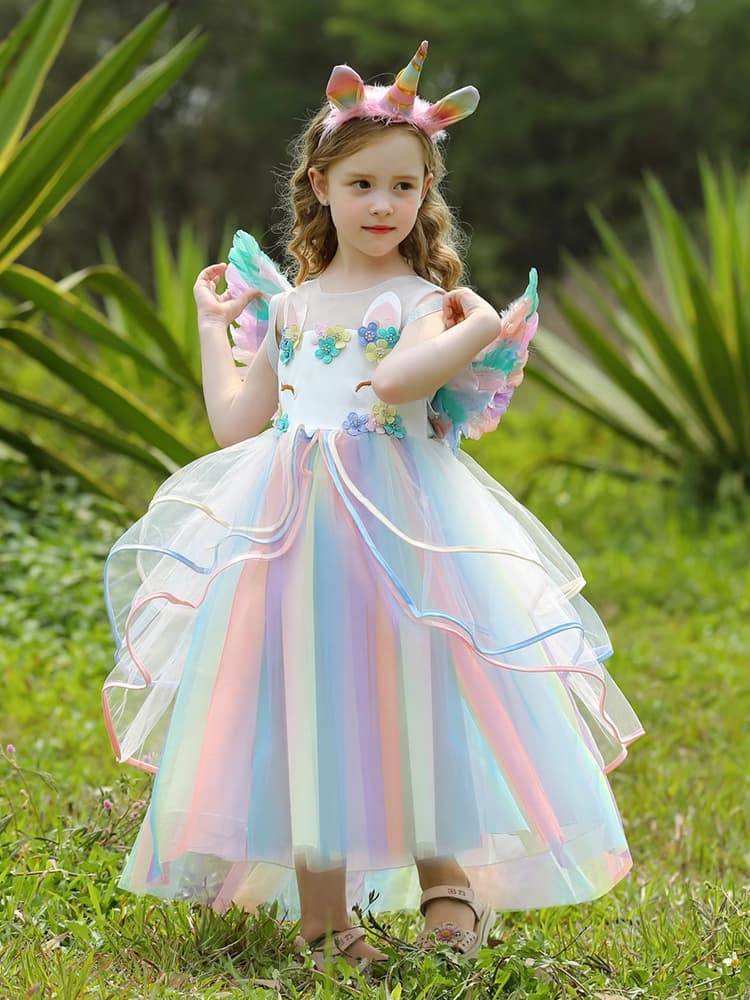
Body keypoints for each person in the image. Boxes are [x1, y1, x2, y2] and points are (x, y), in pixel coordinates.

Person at [101, 40, 644, 975]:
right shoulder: (294, 302)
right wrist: (213, 333)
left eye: (404, 188)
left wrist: (476, 323)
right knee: (309, 694)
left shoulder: (426, 298)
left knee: (412, 685)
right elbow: (237, 423)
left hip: (401, 522)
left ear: (425, 196)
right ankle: (323, 918)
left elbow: (394, 386)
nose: (384, 206)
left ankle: (447, 877)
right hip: (294, 524)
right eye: (362, 186)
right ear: (320, 185)